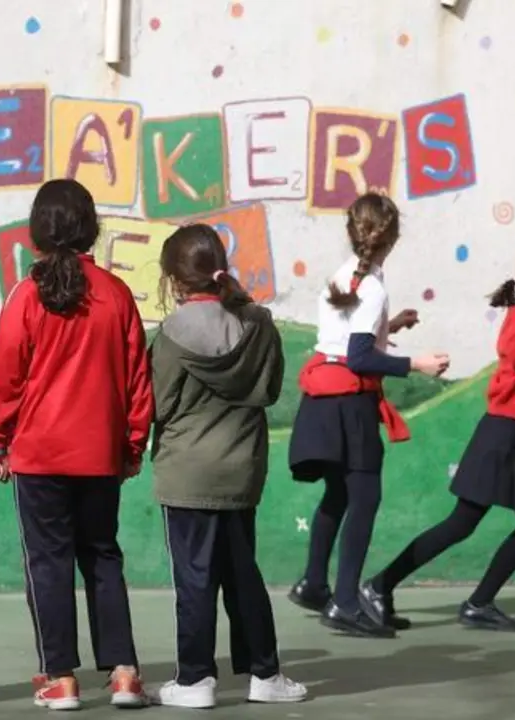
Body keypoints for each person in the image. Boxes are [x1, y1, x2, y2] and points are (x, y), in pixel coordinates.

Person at [0, 178, 153, 711]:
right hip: (99, 455)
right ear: (90, 228)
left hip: (38, 457)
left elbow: (4, 376)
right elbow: (137, 379)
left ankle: (60, 677)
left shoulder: (26, 295)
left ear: (36, 231)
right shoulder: (116, 294)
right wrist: (133, 445)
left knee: (48, 563)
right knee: (103, 556)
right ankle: (124, 674)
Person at [363, 241, 515, 632]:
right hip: (500, 437)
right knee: (462, 523)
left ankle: (477, 603)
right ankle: (380, 586)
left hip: (511, 438)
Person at [146, 224, 307, 709]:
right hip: (241, 470)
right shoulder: (259, 324)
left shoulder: (171, 335)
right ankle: (265, 673)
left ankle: (195, 680)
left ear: (175, 279)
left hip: (186, 473)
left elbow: (157, 405)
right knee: (242, 574)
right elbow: (270, 391)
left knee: (194, 578)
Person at [286, 192, 450, 638]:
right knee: (365, 498)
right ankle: (344, 604)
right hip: (349, 404)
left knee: (338, 494)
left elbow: (343, 341)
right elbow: (358, 358)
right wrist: (417, 364)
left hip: (322, 400)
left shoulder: (341, 277)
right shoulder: (372, 287)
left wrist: (389, 327)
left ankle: (314, 583)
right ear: (391, 240)